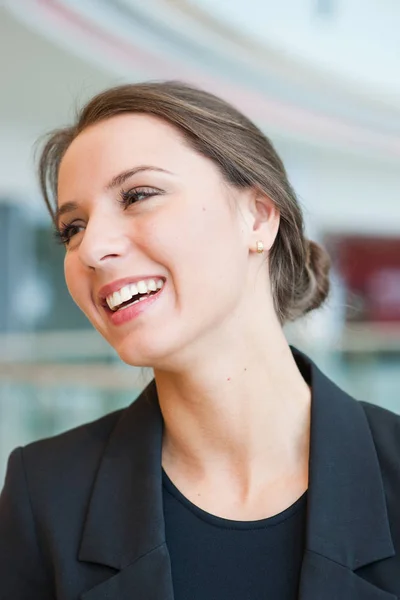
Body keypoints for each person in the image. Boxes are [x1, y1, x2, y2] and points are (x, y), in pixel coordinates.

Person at [0, 81, 399, 600]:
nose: (91, 248)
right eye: (73, 227)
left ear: (258, 215)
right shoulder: (45, 493)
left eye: (138, 195)